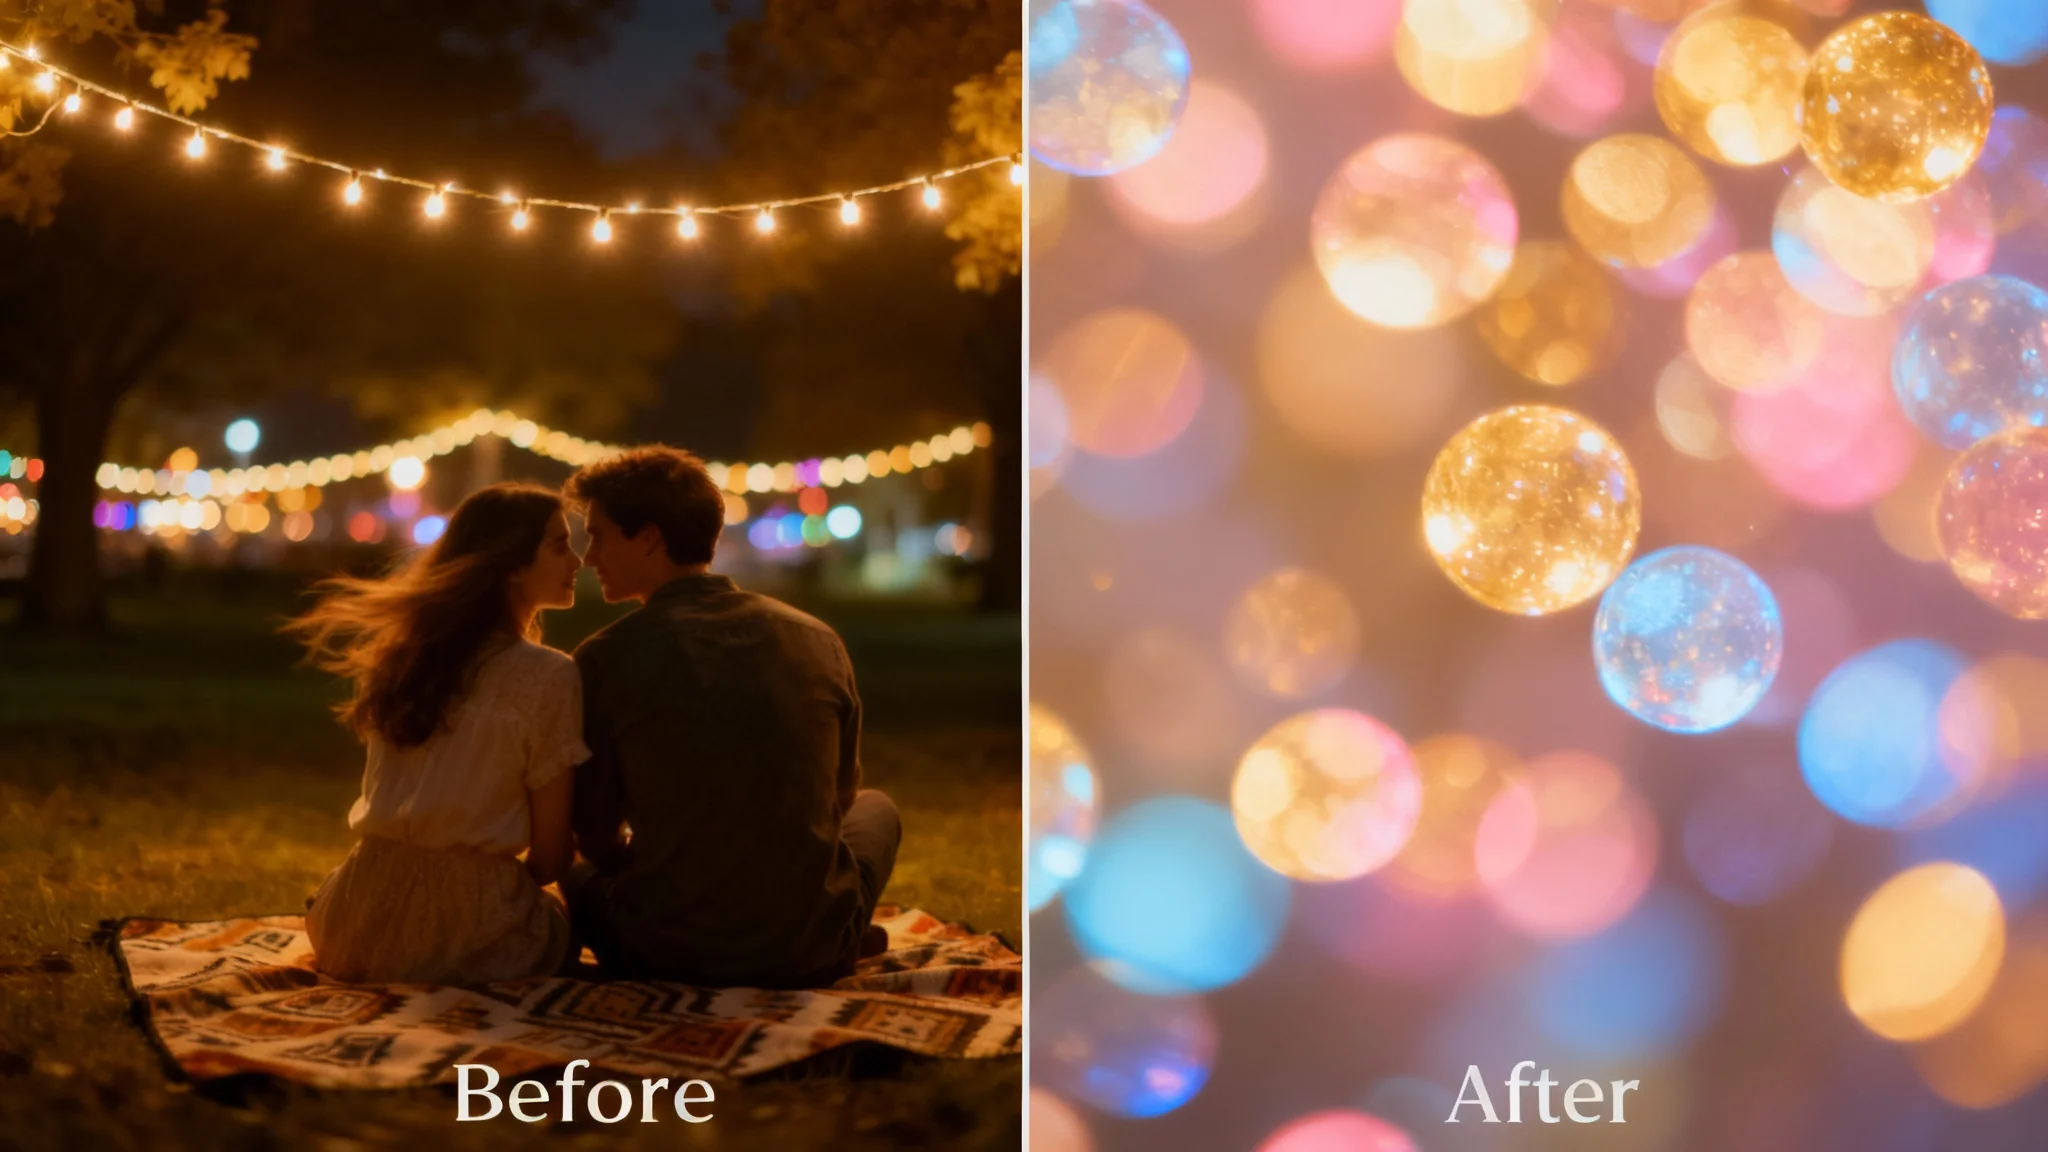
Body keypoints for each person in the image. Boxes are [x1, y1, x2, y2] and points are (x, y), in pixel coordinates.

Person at [562, 446, 900, 989]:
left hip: (662, 953)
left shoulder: (606, 657)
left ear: (648, 537)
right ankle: (831, 933)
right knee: (877, 809)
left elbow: (595, 834)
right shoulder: (815, 638)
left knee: (575, 874)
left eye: (598, 535)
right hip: (805, 951)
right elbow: (839, 800)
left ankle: (748, 930)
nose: (587, 555)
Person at [288, 483, 588, 985]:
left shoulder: (401, 658)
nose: (577, 560)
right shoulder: (548, 675)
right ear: (511, 564)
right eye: (560, 545)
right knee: (576, 920)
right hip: (478, 934)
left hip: (354, 925)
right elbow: (551, 857)